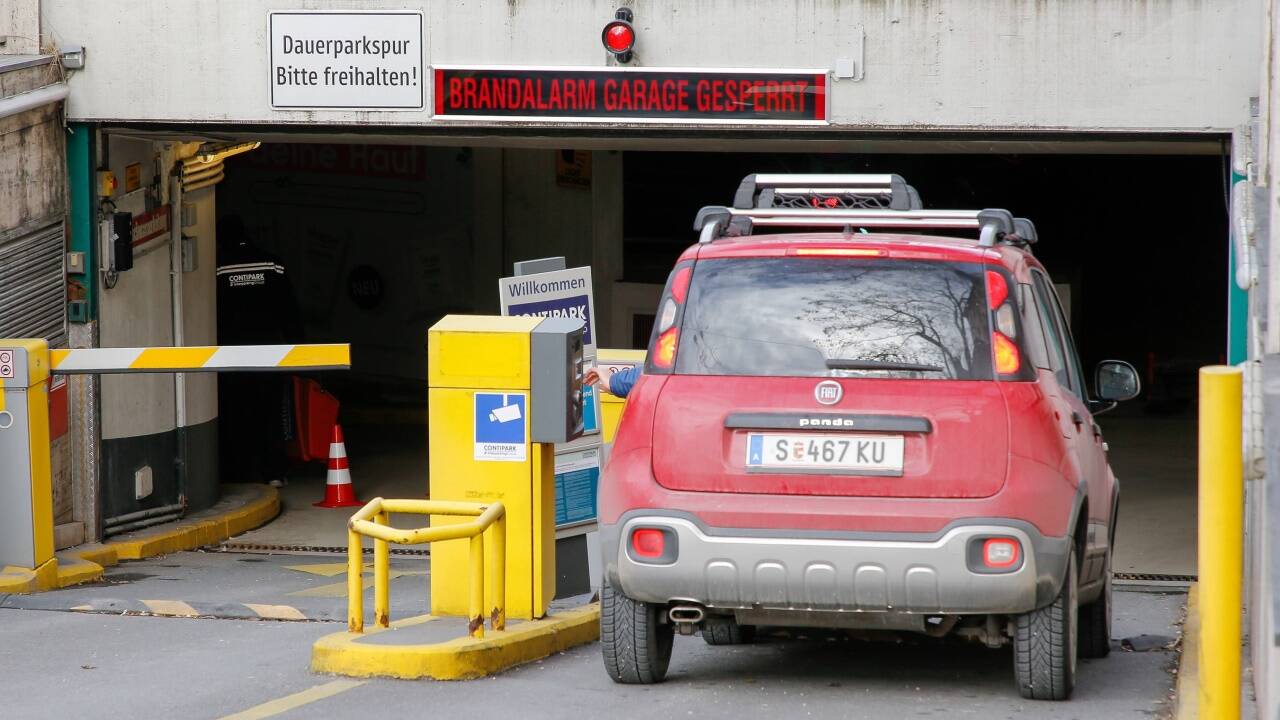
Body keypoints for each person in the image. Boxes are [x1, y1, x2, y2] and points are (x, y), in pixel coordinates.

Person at [216, 215, 304, 487]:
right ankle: (274, 471)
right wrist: (297, 347)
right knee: (270, 411)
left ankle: (239, 471)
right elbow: (289, 309)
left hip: (231, 354)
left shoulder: (218, 267)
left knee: (237, 411)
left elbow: (211, 311)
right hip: (270, 352)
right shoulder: (272, 263)